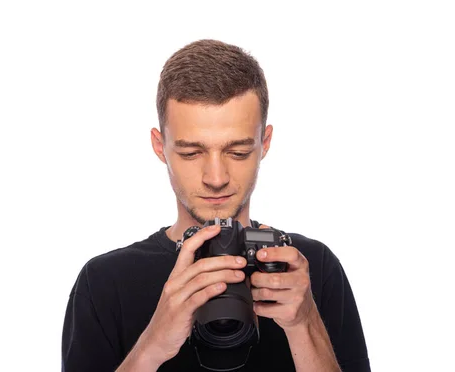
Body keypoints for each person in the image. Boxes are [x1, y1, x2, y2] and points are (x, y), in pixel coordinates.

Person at [61, 39, 370, 372]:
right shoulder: (105, 281)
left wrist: (304, 322)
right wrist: (153, 344)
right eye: (191, 153)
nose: (216, 177)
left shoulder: (310, 268)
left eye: (237, 152)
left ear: (264, 143)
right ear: (159, 146)